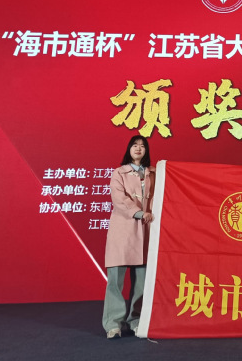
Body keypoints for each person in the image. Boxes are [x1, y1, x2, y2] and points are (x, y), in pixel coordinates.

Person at [102, 135, 155, 339]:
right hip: (123, 230)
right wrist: (139, 212)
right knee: (115, 280)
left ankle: (136, 321)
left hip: (145, 230)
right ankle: (113, 324)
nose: (138, 148)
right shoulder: (119, 172)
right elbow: (119, 198)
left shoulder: (153, 173)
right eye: (135, 145)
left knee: (141, 281)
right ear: (129, 149)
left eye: (142, 146)